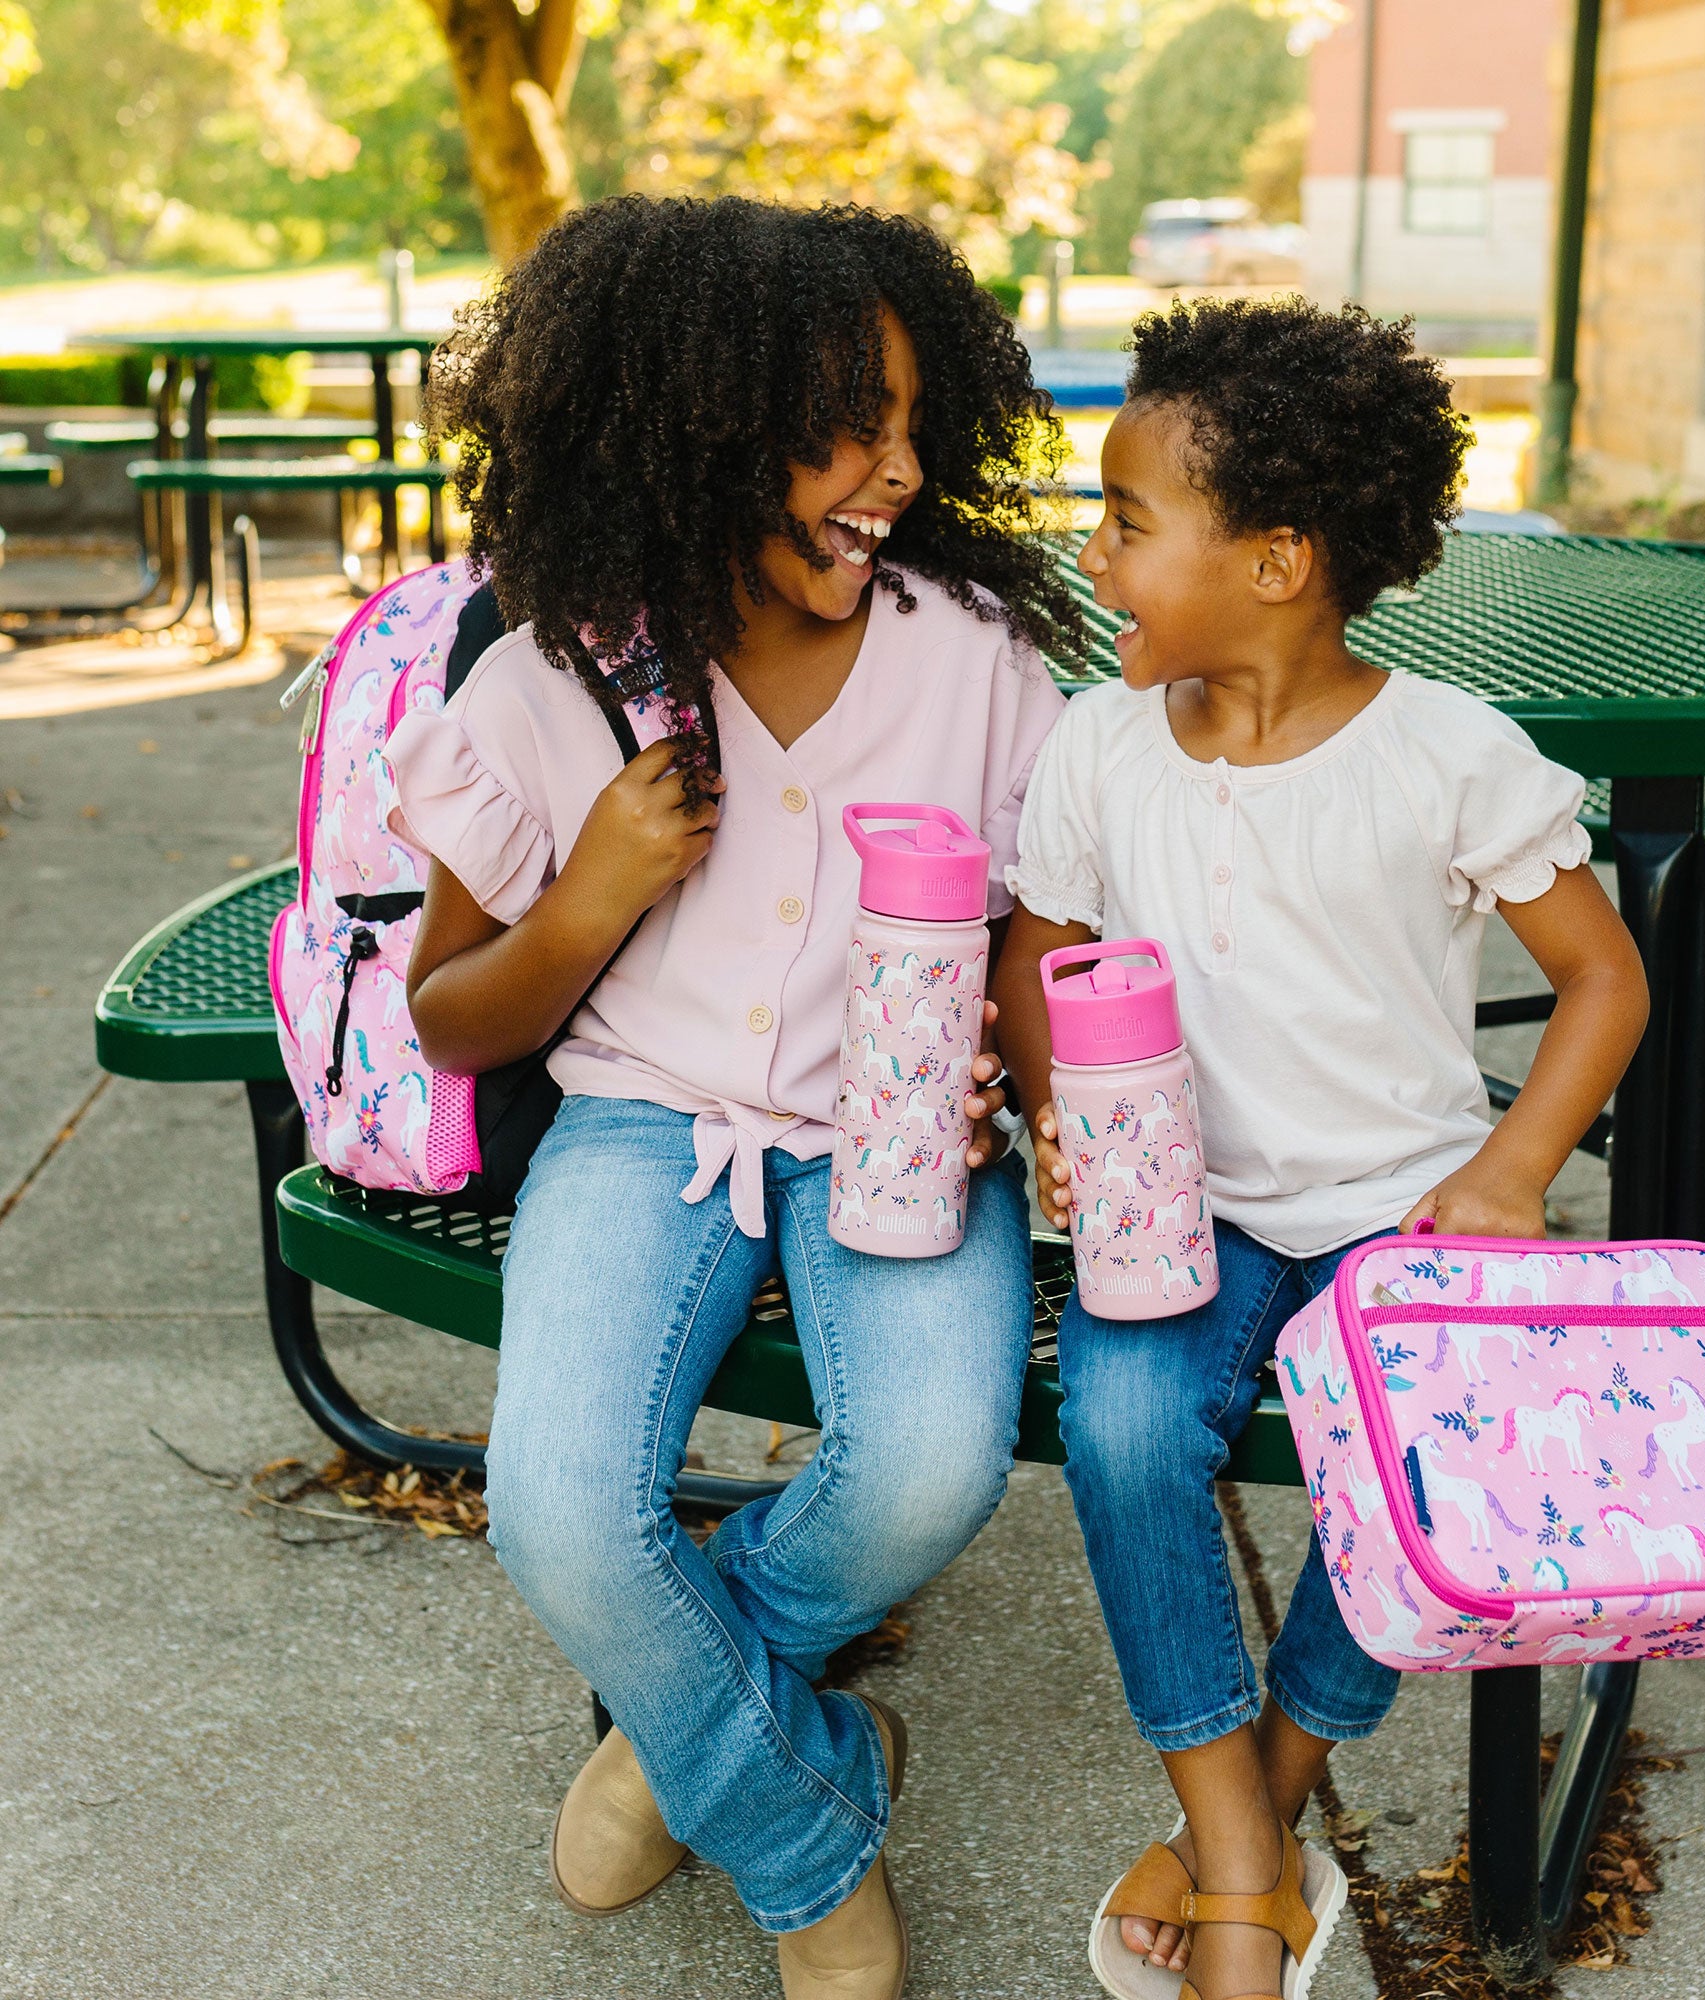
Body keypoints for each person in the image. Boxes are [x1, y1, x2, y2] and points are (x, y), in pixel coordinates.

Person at [389, 195, 1085, 2000]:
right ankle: (803, 1832)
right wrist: (598, 891)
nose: (899, 470)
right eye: (844, 430)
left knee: (930, 1466)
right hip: (644, 1121)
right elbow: (455, 1019)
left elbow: (1023, 927)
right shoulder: (556, 679)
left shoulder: (971, 656)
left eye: (916, 424)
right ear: (685, 435)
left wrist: (1042, 1072)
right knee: (558, 1507)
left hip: (909, 1124)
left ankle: (668, 1742)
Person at [993, 297, 1650, 2000]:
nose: (1095, 550)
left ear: (1277, 561)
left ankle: (1247, 1830)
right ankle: (1238, 1846)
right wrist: (1056, 1100)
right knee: (1124, 1427)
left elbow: (1604, 980)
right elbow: (1035, 942)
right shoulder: (1099, 743)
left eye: (1128, 522)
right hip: (1180, 1213)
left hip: (1400, 1221)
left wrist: (1507, 1179)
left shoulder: (1448, 755)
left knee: (1415, 1475)